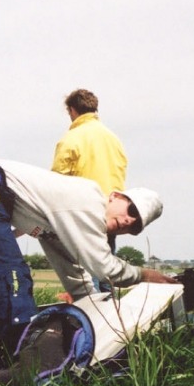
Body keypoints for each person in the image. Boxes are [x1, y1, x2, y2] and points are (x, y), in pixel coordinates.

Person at [0, 159, 177, 364]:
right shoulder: (89, 201)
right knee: (14, 279)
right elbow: (104, 268)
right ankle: (20, 366)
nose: (127, 221)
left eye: (135, 226)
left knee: (3, 282)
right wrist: (146, 275)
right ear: (114, 196)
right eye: (131, 210)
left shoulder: (67, 222)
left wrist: (99, 314)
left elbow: (73, 272)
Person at [52, 88, 128, 293]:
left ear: (72, 110)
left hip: (82, 215)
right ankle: (114, 321)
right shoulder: (113, 139)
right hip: (111, 213)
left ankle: (92, 320)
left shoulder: (71, 138)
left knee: (86, 279)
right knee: (107, 274)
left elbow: (56, 182)